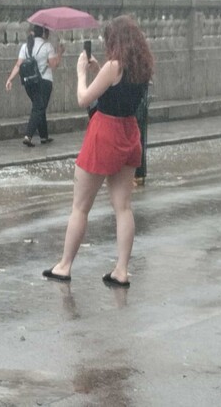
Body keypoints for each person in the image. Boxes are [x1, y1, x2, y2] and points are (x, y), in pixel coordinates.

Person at [42, 15, 154, 288]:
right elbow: (118, 88)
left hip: (104, 133)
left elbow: (84, 99)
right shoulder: (141, 67)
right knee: (123, 207)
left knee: (80, 207)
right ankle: (122, 270)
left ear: (115, 41)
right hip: (129, 132)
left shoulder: (113, 66)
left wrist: (82, 73)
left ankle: (65, 265)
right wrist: (99, 69)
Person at [5, 24, 65, 147]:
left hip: (29, 83)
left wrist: (10, 79)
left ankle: (44, 136)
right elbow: (54, 65)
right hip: (44, 82)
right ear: (44, 33)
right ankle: (28, 135)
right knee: (39, 108)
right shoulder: (47, 46)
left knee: (39, 107)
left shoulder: (25, 46)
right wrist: (60, 53)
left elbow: (18, 65)